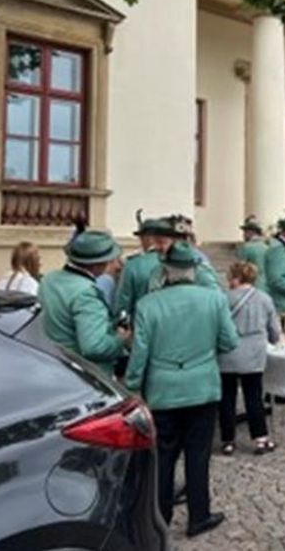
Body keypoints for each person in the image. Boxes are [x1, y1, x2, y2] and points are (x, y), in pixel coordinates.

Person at [124, 241, 239, 537]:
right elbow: (229, 342)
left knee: (163, 457)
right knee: (198, 456)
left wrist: (133, 386)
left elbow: (140, 353)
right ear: (194, 269)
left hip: (163, 390)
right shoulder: (214, 300)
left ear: (165, 271)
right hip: (202, 387)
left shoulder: (148, 304)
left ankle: (160, 516)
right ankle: (198, 516)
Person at [39, 231, 130, 376]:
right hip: (84, 375)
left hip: (54, 364)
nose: (116, 265)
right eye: (111, 260)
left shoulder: (49, 279)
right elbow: (94, 347)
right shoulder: (86, 294)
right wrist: (121, 339)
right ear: (97, 264)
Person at [219, 261, 281, 456]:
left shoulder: (224, 299)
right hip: (254, 353)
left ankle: (227, 440)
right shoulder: (264, 299)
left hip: (228, 353)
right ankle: (260, 438)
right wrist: (273, 339)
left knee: (227, 398)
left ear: (235, 277)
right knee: (254, 396)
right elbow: (274, 331)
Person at [115, 215, 172, 317]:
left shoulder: (133, 265)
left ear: (148, 238)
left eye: (141, 238)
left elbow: (123, 304)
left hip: (141, 324)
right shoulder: (178, 263)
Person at [236, 216, 268, 291]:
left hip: (251, 285)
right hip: (265, 285)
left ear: (251, 232)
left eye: (245, 232)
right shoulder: (266, 247)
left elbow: (240, 267)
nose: (243, 235)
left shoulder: (246, 247)